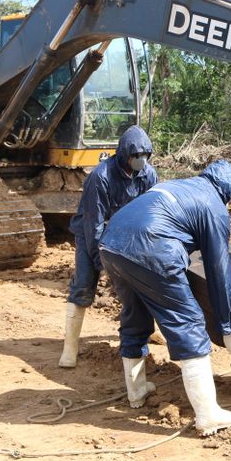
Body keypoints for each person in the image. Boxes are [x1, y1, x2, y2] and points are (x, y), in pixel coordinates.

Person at [98, 160, 231, 436]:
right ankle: (208, 415)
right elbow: (218, 270)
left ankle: (136, 392)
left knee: (135, 315)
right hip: (150, 247)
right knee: (188, 321)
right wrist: (229, 328)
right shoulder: (214, 206)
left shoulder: (178, 185)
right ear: (228, 191)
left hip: (111, 244)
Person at [58, 125, 158, 368]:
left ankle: (147, 330)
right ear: (125, 155)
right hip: (91, 231)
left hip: (127, 233)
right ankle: (69, 348)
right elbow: (94, 223)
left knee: (144, 282)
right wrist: (99, 262)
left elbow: (152, 212)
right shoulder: (100, 177)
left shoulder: (148, 175)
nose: (140, 161)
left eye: (144, 156)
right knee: (83, 284)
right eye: (136, 157)